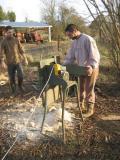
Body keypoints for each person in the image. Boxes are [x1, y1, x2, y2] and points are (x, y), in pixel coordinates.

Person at [63, 24, 100, 118]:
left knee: (89, 89)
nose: (69, 37)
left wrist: (91, 65)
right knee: (81, 88)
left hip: (91, 68)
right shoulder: (74, 42)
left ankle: (90, 109)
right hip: (81, 69)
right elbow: (70, 57)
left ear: (74, 31)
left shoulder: (88, 39)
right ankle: (81, 106)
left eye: (69, 35)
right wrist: (63, 66)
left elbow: (95, 55)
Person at [0, 26, 28, 95]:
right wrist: (2, 62)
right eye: (9, 32)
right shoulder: (3, 42)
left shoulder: (16, 40)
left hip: (18, 61)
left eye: (12, 32)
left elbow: (21, 50)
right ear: (6, 32)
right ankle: (13, 90)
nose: (11, 33)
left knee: (21, 75)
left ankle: (20, 86)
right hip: (10, 63)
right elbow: (2, 53)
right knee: (11, 78)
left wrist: (25, 59)